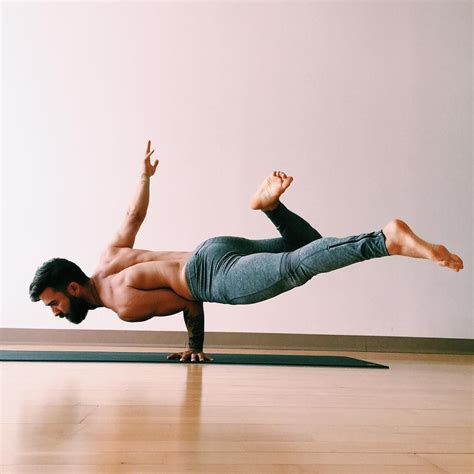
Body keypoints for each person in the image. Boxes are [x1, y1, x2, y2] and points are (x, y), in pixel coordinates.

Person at [29, 141, 464, 362]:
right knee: (306, 246)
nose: (56, 312)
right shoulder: (109, 256)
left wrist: (194, 345)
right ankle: (271, 206)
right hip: (211, 247)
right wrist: (144, 176)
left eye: (54, 303)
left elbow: (190, 300)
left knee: (296, 267)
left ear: (71, 286)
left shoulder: (122, 305)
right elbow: (131, 215)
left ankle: (385, 240)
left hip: (209, 277)